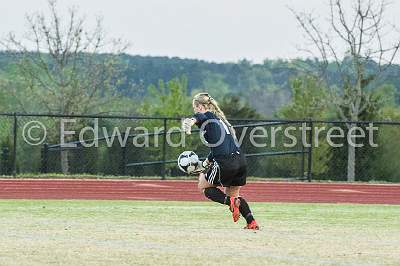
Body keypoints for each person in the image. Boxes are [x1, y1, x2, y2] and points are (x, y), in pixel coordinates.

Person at [182, 92, 259, 230]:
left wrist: (191, 121)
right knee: (235, 196)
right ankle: (251, 222)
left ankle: (230, 202)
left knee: (203, 186)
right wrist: (205, 163)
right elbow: (218, 147)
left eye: (195, 107)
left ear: (199, 106)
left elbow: (201, 116)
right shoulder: (219, 121)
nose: (195, 110)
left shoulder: (208, 117)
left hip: (226, 162)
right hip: (240, 161)